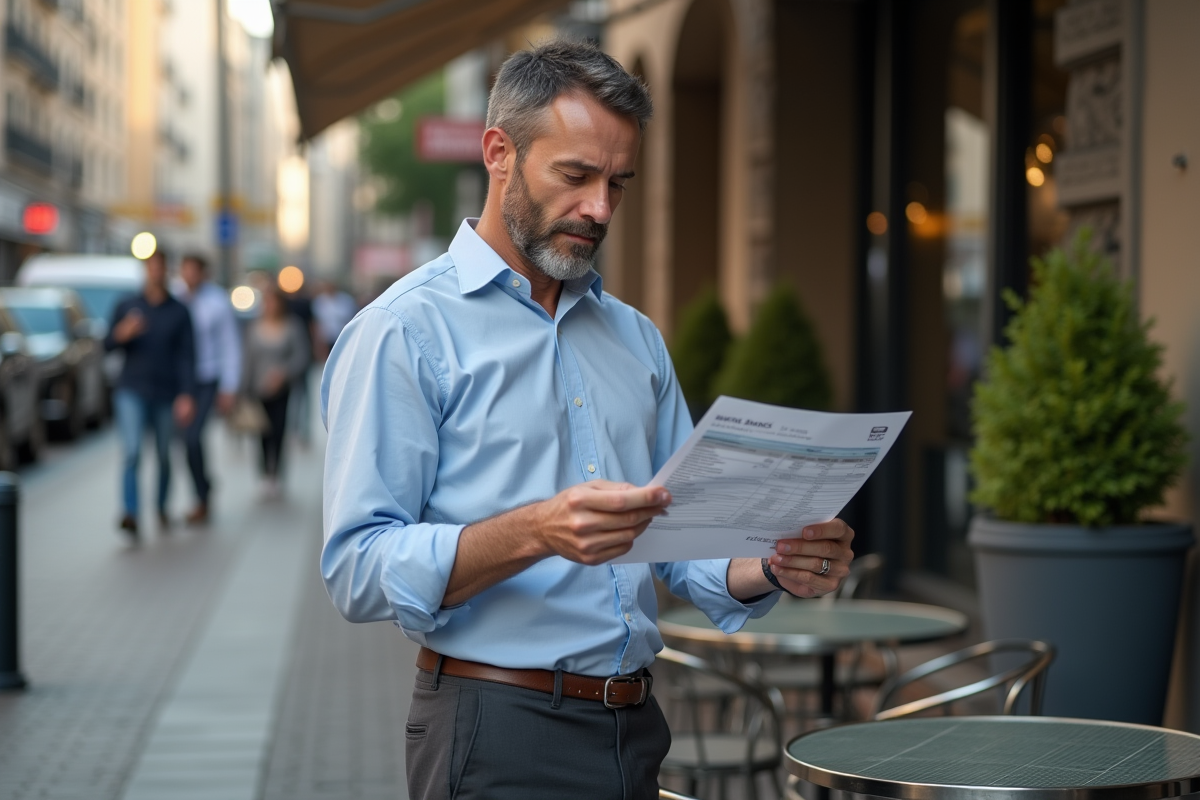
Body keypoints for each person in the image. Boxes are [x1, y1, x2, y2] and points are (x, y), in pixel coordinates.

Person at [321, 40, 855, 800]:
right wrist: (534, 530)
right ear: (498, 153)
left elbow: (684, 546)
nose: (600, 208)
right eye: (575, 176)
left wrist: (769, 565)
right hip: (493, 727)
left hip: (635, 728)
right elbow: (357, 569)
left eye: (618, 183)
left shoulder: (636, 339)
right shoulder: (404, 332)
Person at [105, 250, 195, 540]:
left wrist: (186, 394)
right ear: (145, 271)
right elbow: (106, 344)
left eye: (160, 267)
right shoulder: (127, 306)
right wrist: (123, 333)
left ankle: (160, 507)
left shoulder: (179, 310)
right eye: (150, 267)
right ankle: (130, 513)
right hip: (131, 389)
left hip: (166, 392)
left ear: (166, 271)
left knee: (164, 455)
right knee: (131, 452)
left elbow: (187, 356)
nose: (155, 272)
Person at [175, 253, 241, 524]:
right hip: (180, 378)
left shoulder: (217, 303)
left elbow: (230, 345)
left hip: (207, 377)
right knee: (183, 441)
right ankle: (204, 485)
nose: (190, 276)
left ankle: (202, 496)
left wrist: (229, 386)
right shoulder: (175, 299)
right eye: (185, 270)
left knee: (193, 437)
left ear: (203, 273)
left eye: (194, 271)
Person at [242, 286, 309, 498]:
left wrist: (284, 374)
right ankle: (264, 472)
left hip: (282, 389)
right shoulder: (254, 328)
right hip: (258, 388)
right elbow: (248, 360)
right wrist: (243, 389)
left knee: (279, 431)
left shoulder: (292, 327)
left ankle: (277, 473)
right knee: (261, 432)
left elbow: (301, 356)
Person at [310, 280, 358, 360]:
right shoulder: (319, 301)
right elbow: (316, 322)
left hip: (343, 337)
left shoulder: (346, 300)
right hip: (326, 339)